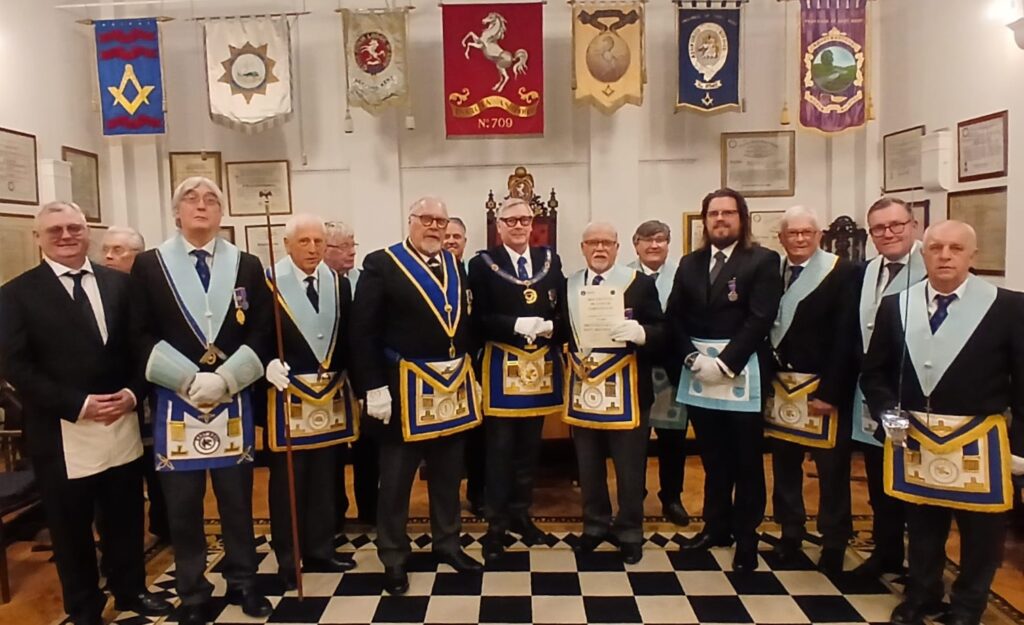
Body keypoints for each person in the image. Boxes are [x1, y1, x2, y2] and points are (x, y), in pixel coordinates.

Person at [0, 202, 171, 625]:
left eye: (74, 228)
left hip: (121, 418)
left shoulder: (120, 284)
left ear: (87, 232)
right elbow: (16, 366)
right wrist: (77, 404)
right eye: (55, 230)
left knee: (125, 515)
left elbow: (142, 346)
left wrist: (133, 393)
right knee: (70, 526)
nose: (66, 236)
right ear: (37, 238)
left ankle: (131, 589)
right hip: (62, 429)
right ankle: (84, 606)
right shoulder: (16, 293)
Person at [861, 220, 1024, 625]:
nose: (945, 256)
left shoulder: (1008, 307)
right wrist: (887, 412)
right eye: (936, 248)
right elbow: (875, 373)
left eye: (955, 248)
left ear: (973, 255)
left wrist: (1020, 448)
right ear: (924, 252)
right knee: (922, 525)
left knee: (981, 532)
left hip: (980, 439)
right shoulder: (897, 305)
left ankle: (967, 606)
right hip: (917, 435)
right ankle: (923, 594)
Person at [130, 177, 272, 625]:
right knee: (183, 507)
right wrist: (187, 379)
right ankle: (192, 591)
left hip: (231, 397)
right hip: (177, 399)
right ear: (176, 212)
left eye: (211, 199)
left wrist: (227, 379)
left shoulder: (246, 264)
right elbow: (139, 333)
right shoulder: (150, 265)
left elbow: (262, 330)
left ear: (221, 213)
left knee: (237, 502)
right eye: (190, 199)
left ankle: (244, 580)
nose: (201, 205)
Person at [351, 197, 483, 596]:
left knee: (448, 475)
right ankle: (393, 555)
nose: (434, 227)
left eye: (441, 221)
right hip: (402, 392)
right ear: (410, 221)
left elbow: (463, 324)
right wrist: (372, 386)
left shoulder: (454, 265)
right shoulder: (382, 264)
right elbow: (363, 331)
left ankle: (448, 543)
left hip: (451, 388)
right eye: (427, 219)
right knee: (395, 482)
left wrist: (471, 372)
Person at [666, 187, 783, 573]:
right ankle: (715, 527)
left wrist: (727, 363)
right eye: (713, 213)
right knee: (713, 458)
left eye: (728, 213)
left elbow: (760, 318)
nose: (720, 219)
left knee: (746, 461)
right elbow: (674, 316)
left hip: (741, 374)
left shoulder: (762, 260)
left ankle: (746, 538)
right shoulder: (690, 263)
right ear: (705, 220)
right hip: (699, 374)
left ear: (741, 218)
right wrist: (690, 357)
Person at [261, 214, 358, 590]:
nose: (313, 248)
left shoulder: (337, 282)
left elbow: (346, 338)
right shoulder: (268, 282)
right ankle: (289, 557)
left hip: (329, 396)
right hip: (288, 395)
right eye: (304, 241)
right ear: (287, 245)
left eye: (319, 241)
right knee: (289, 483)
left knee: (325, 478)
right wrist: (266, 362)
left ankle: (320, 548)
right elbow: (255, 333)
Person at [562, 221, 666, 564]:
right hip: (585, 388)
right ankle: (594, 526)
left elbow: (663, 331)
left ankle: (630, 532)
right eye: (593, 242)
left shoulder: (639, 283)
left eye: (607, 242)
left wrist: (642, 332)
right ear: (583, 247)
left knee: (629, 468)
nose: (600, 248)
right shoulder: (569, 285)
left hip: (629, 390)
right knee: (588, 466)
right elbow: (563, 332)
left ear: (618, 247)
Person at [468, 198, 565, 562]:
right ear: (499, 226)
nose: (519, 225)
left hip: (539, 367)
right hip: (501, 366)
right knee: (499, 451)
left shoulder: (549, 260)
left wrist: (554, 327)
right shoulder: (482, 264)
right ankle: (495, 524)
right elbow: (476, 319)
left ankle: (521, 514)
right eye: (511, 220)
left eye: (525, 219)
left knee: (528, 449)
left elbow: (562, 307)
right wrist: (515, 325)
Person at [764, 206, 857, 575]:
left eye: (807, 232)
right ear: (781, 238)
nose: (800, 239)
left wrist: (832, 392)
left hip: (821, 389)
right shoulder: (773, 271)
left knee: (831, 473)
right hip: (780, 387)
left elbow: (846, 336)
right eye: (793, 233)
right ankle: (790, 532)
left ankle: (834, 541)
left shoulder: (841, 272)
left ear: (819, 236)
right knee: (785, 468)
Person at [851, 197, 926, 578]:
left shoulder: (934, 267)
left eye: (896, 225)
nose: (888, 233)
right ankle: (887, 552)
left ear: (913, 226)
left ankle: (924, 571)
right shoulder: (866, 271)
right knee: (881, 482)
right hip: (873, 395)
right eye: (879, 228)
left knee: (919, 491)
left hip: (916, 395)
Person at [97, 225, 169, 543]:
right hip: (114, 399)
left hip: (153, 395)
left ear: (138, 256)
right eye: (105, 250)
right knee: (116, 483)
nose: (109, 257)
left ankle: (164, 529)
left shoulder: (154, 290)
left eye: (118, 250)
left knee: (160, 475)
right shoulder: (97, 291)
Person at [628, 220, 689, 527]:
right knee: (632, 441)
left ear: (668, 243)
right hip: (633, 369)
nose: (654, 245)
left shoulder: (684, 276)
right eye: (647, 240)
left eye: (660, 239)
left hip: (672, 372)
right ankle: (632, 496)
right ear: (635, 244)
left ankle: (672, 498)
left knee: (673, 441)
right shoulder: (624, 276)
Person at [324, 220, 377, 527]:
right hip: (328, 381)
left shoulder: (363, 280)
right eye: (342, 246)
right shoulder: (319, 282)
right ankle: (334, 512)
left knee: (368, 449)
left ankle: (370, 509)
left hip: (361, 379)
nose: (351, 251)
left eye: (352, 244)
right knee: (331, 454)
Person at [446, 215, 484, 515]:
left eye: (456, 237)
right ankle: (446, 502)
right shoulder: (431, 275)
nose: (450, 241)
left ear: (465, 242)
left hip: (474, 367)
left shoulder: (473, 274)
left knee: (477, 438)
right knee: (446, 442)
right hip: (440, 372)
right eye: (446, 236)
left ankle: (478, 495)